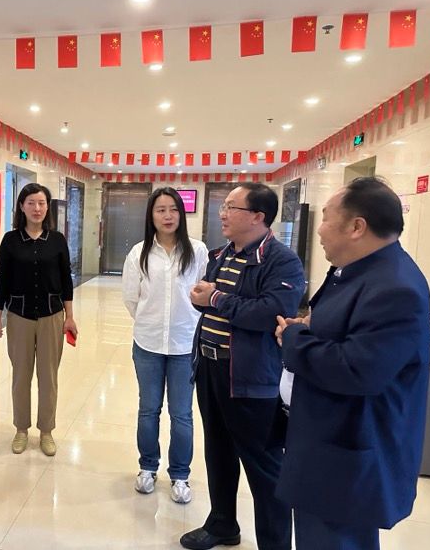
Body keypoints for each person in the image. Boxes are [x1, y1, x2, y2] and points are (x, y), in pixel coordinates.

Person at [275, 177, 430, 550]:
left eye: (328, 218)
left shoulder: (396, 288)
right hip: (323, 444)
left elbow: (357, 370)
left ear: (357, 226)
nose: (320, 230)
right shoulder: (358, 271)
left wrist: (294, 339)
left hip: (347, 457)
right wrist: (310, 327)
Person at [181, 183, 305, 550]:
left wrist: (216, 298)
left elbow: (271, 313)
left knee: (263, 465)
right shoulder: (222, 254)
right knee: (218, 450)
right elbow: (211, 303)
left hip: (250, 377)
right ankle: (222, 524)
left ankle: (275, 543)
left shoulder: (281, 260)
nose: (222, 213)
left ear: (257, 216)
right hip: (210, 367)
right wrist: (202, 299)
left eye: (231, 207)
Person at [122, 187, 208, 504]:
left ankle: (180, 474)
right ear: (151, 215)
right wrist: (153, 321)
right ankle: (147, 467)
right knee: (149, 409)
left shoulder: (197, 251)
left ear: (181, 214)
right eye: (160, 210)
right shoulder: (139, 253)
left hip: (185, 345)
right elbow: (131, 298)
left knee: (182, 413)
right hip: (148, 343)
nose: (167, 215)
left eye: (173, 209)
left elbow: (203, 295)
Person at [0, 183, 78, 457]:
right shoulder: (11, 240)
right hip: (20, 316)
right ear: (21, 206)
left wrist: (70, 316)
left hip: (52, 316)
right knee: (21, 376)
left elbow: (66, 280)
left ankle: (47, 431)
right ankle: (21, 429)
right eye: (31, 203)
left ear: (47, 207)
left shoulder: (57, 240)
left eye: (41, 203)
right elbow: (1, 278)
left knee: (48, 377)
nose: (37, 208)